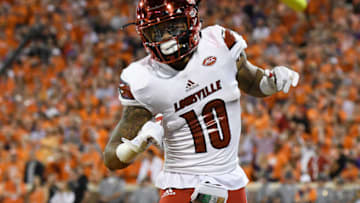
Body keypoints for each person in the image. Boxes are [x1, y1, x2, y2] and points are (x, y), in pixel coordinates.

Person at [103, 0, 299, 202]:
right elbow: (111, 158)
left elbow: (252, 82)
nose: (167, 38)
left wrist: (271, 82)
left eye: (173, 27)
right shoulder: (143, 79)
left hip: (228, 179)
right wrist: (134, 146)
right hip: (182, 183)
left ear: (191, 21)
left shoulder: (219, 42)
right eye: (157, 32)